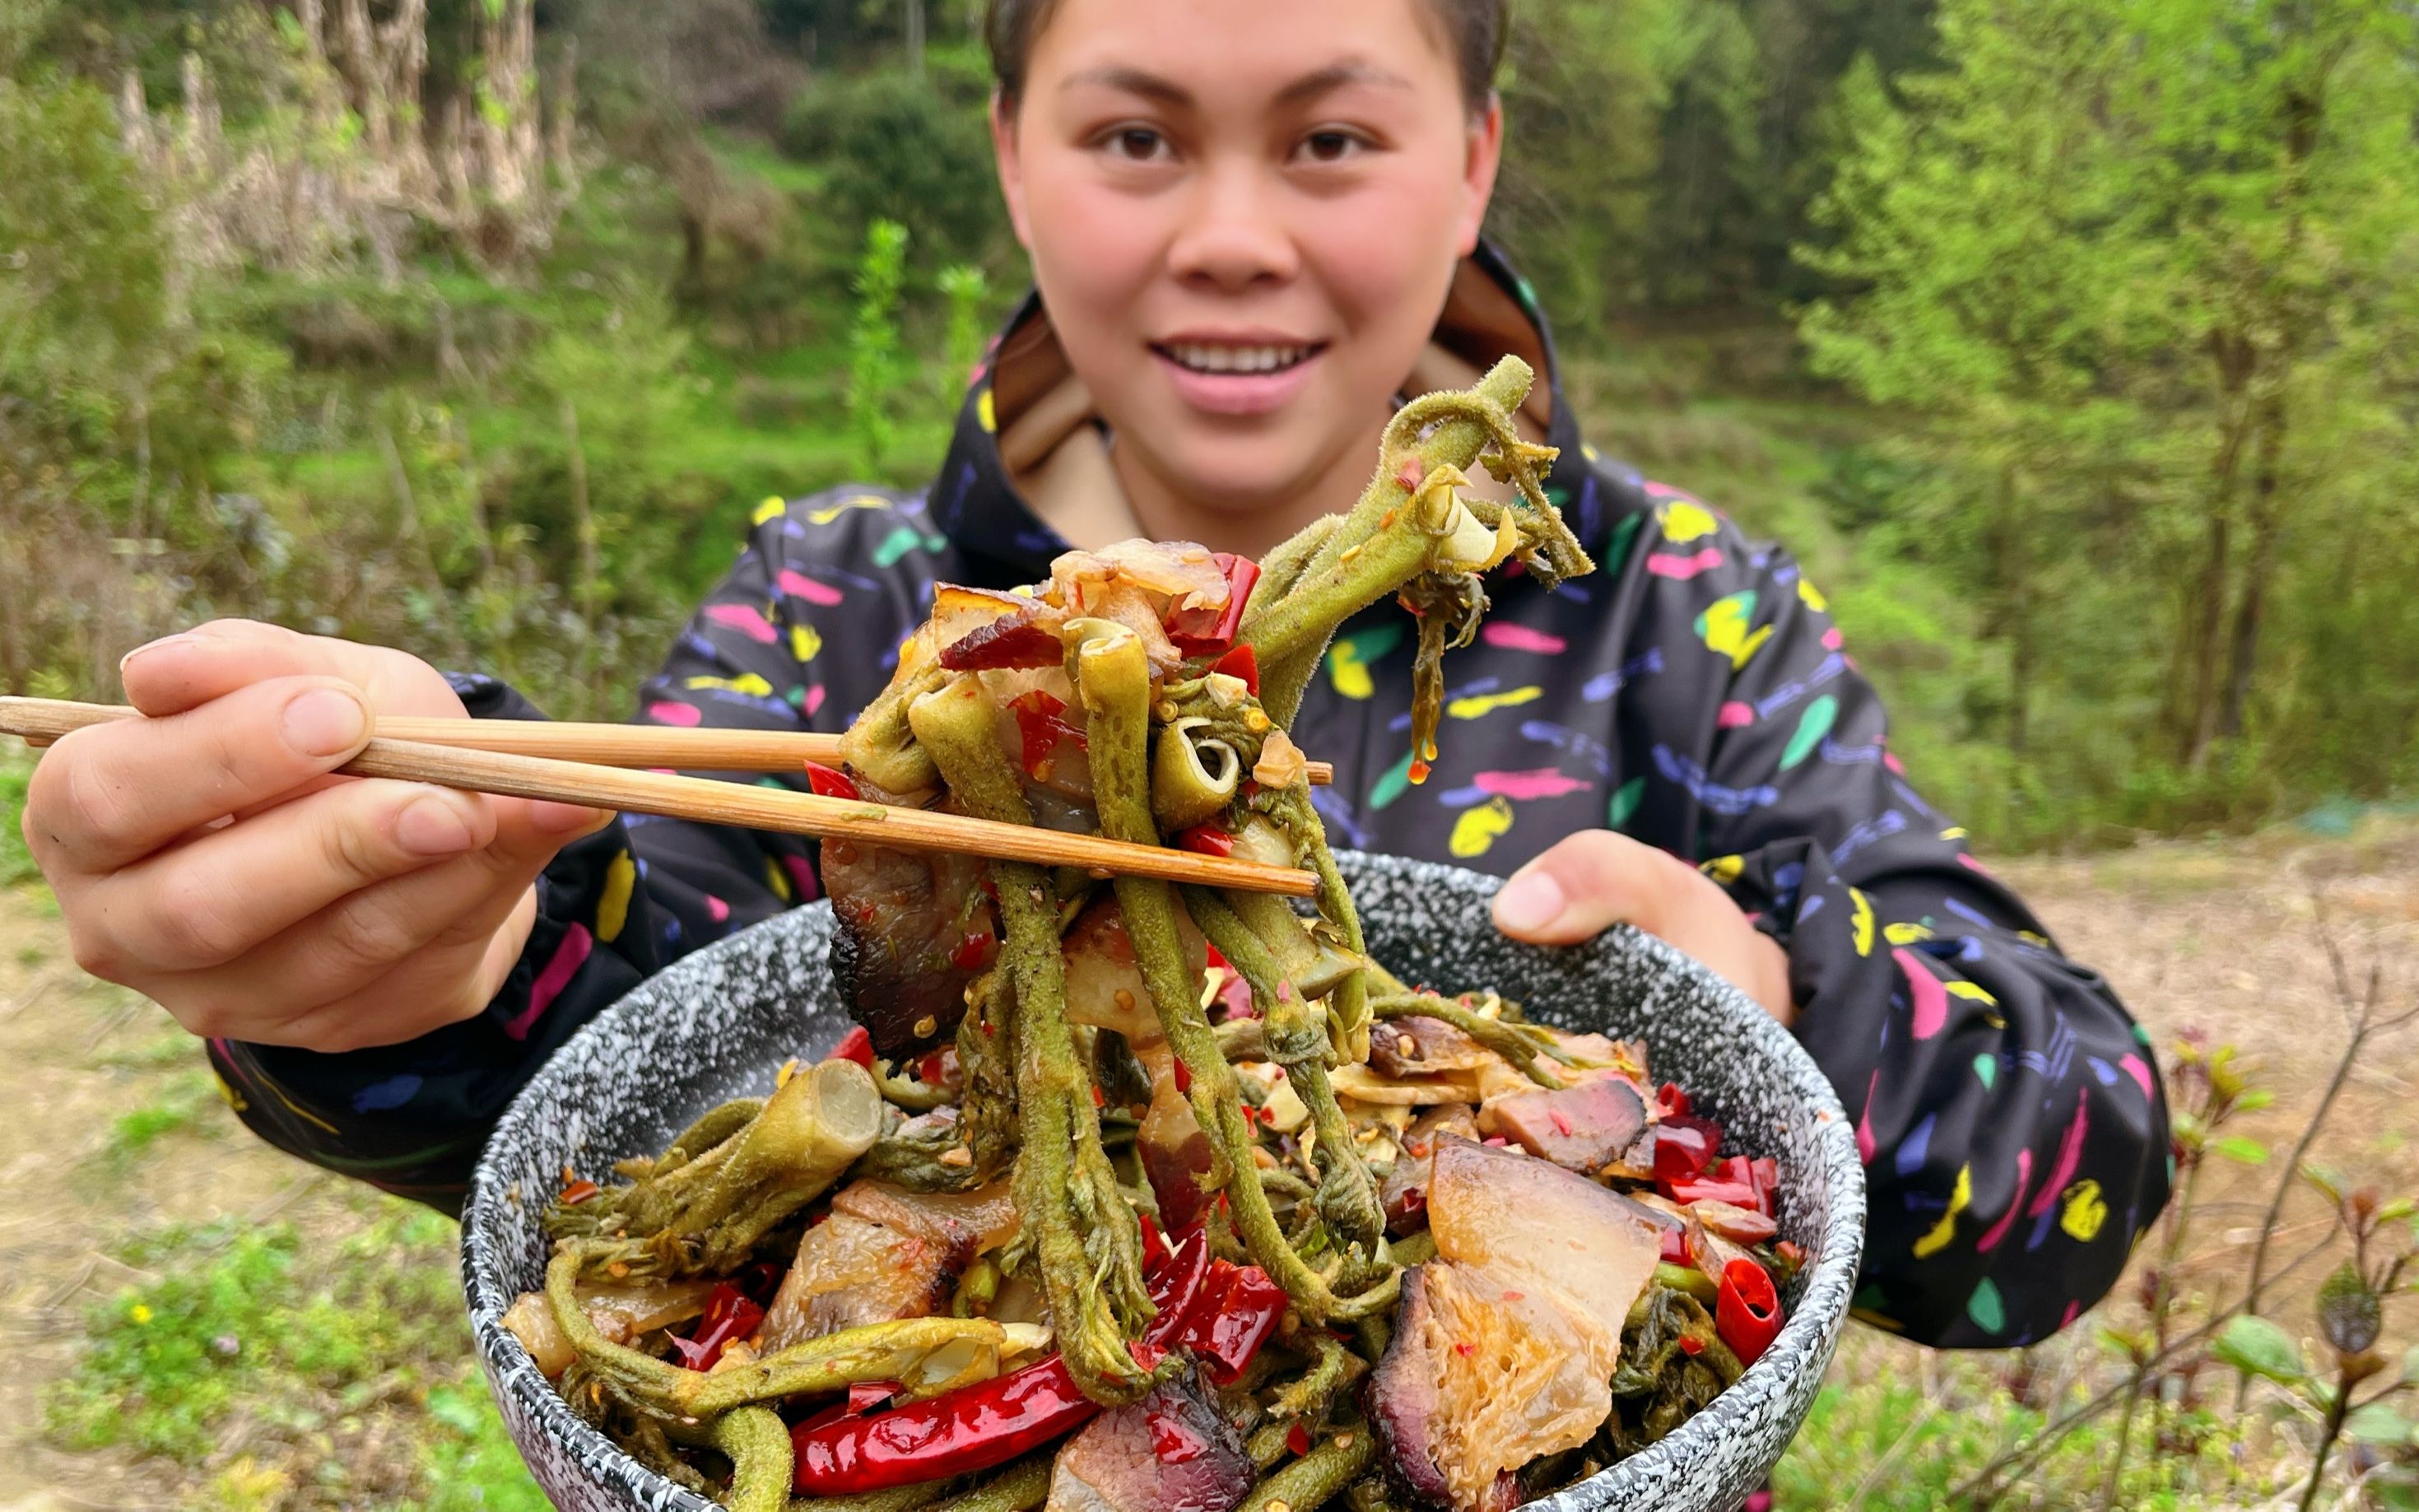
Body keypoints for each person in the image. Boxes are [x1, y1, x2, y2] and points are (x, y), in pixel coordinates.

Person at [20, 0, 2166, 1351]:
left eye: (1329, 138)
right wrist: (428, 950)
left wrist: (1768, 1008)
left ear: (1474, 166)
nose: (1230, 233)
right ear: (1011, 154)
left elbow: (2066, 1171)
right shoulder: (842, 606)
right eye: (1136, 136)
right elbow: (623, 1065)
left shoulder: (1664, 602)